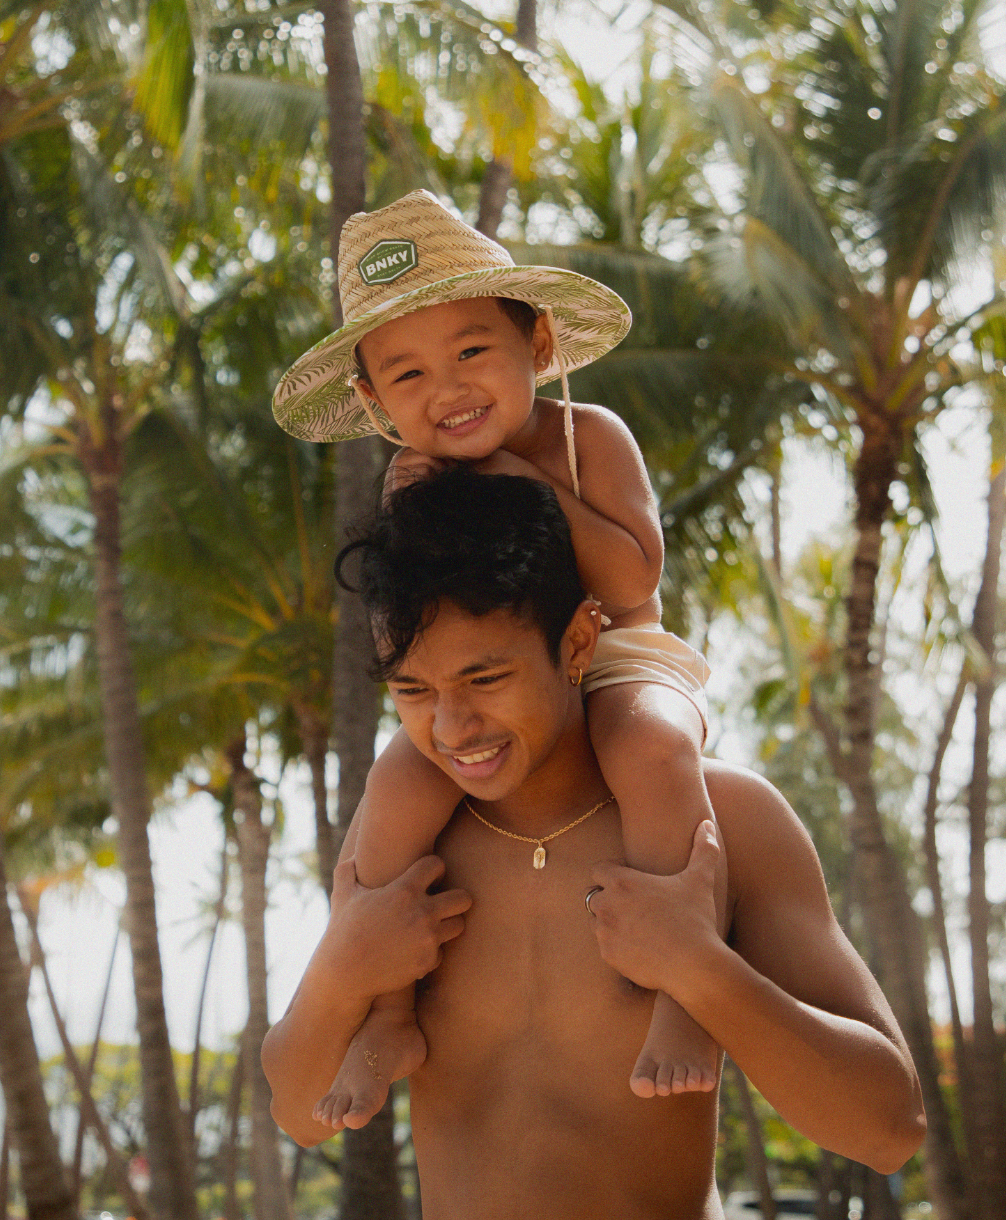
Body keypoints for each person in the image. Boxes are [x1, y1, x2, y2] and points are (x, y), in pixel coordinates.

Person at [262, 467, 925, 1218]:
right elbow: (296, 1112)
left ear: (578, 639)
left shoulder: (725, 822)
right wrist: (341, 973)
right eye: (412, 692)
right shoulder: (408, 845)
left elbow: (891, 1130)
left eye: (484, 678)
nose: (451, 729)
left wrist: (700, 969)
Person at [272, 189, 725, 1125]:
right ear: (372, 401)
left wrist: (526, 480)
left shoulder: (585, 437)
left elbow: (635, 574)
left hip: (624, 656)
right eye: (407, 376)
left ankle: (688, 996)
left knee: (653, 751)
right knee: (390, 800)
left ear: (541, 346)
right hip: (495, 689)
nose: (448, 389)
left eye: (473, 350)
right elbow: (417, 621)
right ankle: (388, 1013)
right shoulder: (417, 483)